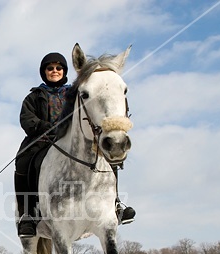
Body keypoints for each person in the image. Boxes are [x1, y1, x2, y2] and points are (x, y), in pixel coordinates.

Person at [15, 52, 135, 238]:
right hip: (43, 140)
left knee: (106, 154)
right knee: (24, 162)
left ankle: (116, 204)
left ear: (64, 71)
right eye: (50, 68)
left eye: (59, 68)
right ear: (44, 72)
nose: (54, 71)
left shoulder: (77, 92)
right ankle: (28, 214)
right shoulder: (34, 96)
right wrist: (46, 128)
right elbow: (27, 120)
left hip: (72, 140)